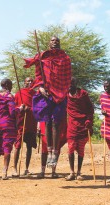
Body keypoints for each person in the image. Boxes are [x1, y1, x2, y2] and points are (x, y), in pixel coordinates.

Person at [24, 36, 71, 167]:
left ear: (60, 44)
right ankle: (49, 151)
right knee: (48, 122)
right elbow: (38, 76)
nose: (55, 42)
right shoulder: (42, 57)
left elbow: (67, 78)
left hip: (60, 93)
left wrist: (62, 91)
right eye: (52, 40)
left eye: (57, 41)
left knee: (56, 123)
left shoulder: (65, 59)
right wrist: (40, 87)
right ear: (49, 43)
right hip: (46, 93)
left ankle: (55, 153)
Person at [0, 78, 20, 180]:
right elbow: (12, 112)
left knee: (2, 145)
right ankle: (4, 172)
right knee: (7, 147)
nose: (12, 87)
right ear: (6, 85)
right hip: (7, 125)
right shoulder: (9, 96)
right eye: (10, 85)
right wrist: (21, 109)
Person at [65, 77, 94, 181]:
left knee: (81, 149)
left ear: (76, 83)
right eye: (68, 84)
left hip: (83, 125)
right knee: (71, 148)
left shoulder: (83, 94)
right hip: (72, 126)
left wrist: (88, 121)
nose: (70, 85)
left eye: (72, 83)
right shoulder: (65, 95)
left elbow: (90, 108)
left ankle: (78, 172)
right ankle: (71, 172)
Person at [12, 77, 37, 177]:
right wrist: (20, 108)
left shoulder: (35, 94)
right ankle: (14, 168)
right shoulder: (19, 93)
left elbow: (38, 108)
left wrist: (29, 109)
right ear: (24, 82)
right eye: (28, 81)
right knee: (17, 146)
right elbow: (14, 107)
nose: (30, 82)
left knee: (29, 147)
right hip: (21, 123)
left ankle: (26, 168)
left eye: (32, 81)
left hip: (31, 123)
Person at [37, 114, 67, 179]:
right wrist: (38, 125)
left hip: (57, 122)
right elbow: (41, 110)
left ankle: (53, 171)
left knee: (56, 147)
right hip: (45, 123)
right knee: (44, 148)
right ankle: (42, 171)